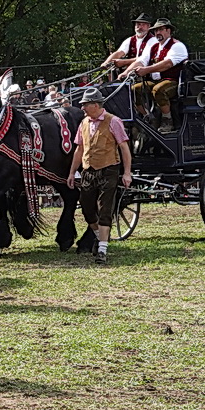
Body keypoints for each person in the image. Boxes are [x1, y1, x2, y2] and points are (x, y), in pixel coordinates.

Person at [71, 88, 132, 264]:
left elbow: (124, 148)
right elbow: (79, 149)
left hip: (109, 169)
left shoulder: (113, 121)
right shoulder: (84, 123)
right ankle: (100, 237)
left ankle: (102, 250)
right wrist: (71, 172)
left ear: (95, 105)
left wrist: (127, 173)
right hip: (88, 170)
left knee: (105, 209)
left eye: (85, 104)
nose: (82, 108)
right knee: (87, 208)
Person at [124, 19, 188, 131]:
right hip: (155, 81)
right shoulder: (153, 47)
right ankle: (147, 117)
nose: (157, 33)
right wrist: (125, 73)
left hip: (173, 81)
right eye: (155, 30)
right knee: (133, 90)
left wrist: (146, 70)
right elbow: (141, 61)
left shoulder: (177, 46)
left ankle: (167, 121)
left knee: (158, 90)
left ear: (168, 31)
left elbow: (167, 64)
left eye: (161, 29)